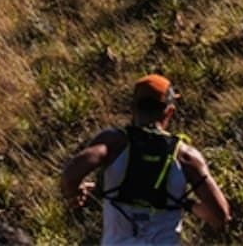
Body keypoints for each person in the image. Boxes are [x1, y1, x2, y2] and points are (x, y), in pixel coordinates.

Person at [60, 73, 231, 244]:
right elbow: (219, 215)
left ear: (132, 108)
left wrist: (74, 194)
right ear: (169, 111)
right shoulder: (186, 156)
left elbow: (70, 176)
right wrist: (184, 202)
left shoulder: (113, 143)